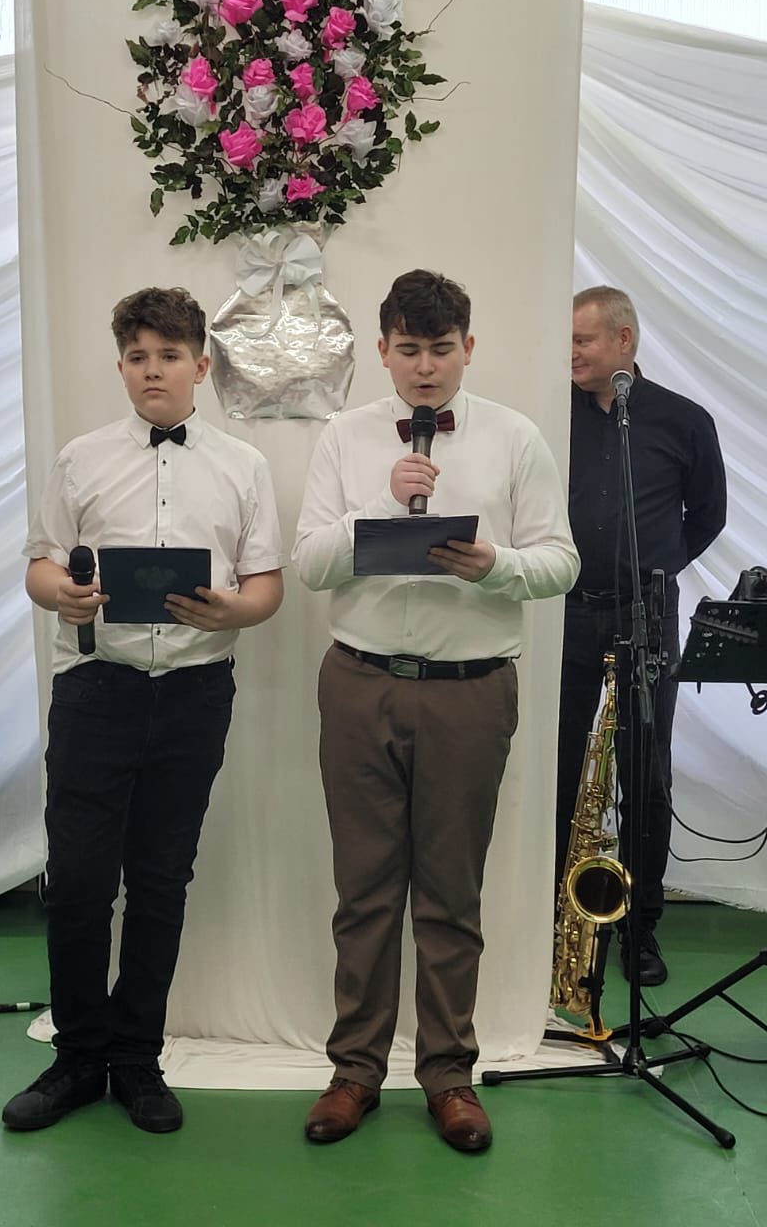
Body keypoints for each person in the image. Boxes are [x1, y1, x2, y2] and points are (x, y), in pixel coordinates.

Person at [292, 270, 579, 1152]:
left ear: (469, 348)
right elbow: (310, 564)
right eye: (409, 349)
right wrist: (385, 502)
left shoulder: (516, 437)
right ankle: (354, 1072)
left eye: (441, 349)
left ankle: (450, 1076)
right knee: (364, 890)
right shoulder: (344, 436)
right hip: (360, 682)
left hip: (470, 689)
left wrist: (495, 567)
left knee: (452, 893)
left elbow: (561, 561)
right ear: (382, 351)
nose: (425, 367)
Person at [2, 287, 283, 1136]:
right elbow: (40, 564)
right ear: (121, 367)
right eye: (137, 357)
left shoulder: (244, 466)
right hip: (98, 689)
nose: (152, 370)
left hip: (194, 694)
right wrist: (63, 594)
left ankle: (137, 1058)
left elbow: (266, 586)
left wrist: (233, 610)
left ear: (202, 365)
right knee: (78, 883)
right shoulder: (81, 459)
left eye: (168, 355)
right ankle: (76, 1057)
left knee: (161, 881)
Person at [558, 286, 726, 986]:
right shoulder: (551, 413)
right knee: (559, 767)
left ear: (622, 341)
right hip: (565, 610)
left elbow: (708, 516)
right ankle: (556, 922)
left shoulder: (683, 420)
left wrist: (657, 568)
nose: (570, 353)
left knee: (646, 776)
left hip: (647, 616)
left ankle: (640, 928)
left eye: (582, 340)